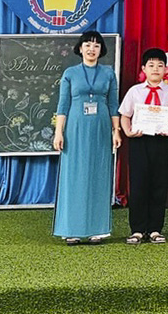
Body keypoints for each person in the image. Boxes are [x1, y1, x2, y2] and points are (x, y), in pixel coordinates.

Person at [53, 31, 121, 245]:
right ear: (80, 48)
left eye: (96, 46)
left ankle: (97, 229)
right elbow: (63, 105)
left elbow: (113, 104)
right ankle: (70, 229)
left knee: (99, 174)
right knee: (73, 175)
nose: (92, 49)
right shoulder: (70, 73)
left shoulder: (108, 73)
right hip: (75, 127)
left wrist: (116, 130)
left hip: (101, 127)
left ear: (101, 50)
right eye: (88, 45)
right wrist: (59, 132)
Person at [119, 49, 168, 245]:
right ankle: (137, 229)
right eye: (151, 65)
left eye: (160, 65)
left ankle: (155, 229)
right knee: (138, 186)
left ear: (166, 69)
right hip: (139, 141)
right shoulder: (135, 91)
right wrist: (128, 132)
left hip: (162, 142)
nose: (155, 69)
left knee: (159, 185)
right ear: (143, 68)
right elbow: (125, 115)